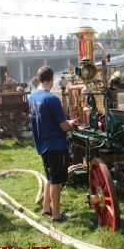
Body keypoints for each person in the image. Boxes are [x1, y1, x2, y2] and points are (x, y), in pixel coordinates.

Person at [29, 66, 77, 222]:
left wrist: (65, 122)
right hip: (56, 145)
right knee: (56, 181)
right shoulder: (52, 99)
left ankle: (46, 208)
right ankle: (57, 215)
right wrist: (72, 124)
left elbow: (46, 119)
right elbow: (63, 126)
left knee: (50, 177)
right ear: (51, 80)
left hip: (42, 144)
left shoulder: (32, 97)